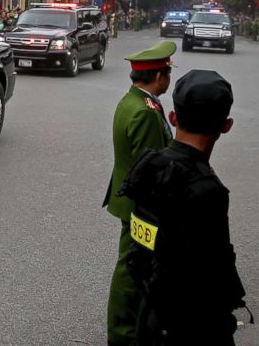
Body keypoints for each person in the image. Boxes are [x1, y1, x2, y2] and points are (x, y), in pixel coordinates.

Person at [119, 70, 249, 345]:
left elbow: (138, 251)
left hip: (148, 317)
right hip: (188, 327)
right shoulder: (207, 191)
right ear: (226, 125)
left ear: (173, 118)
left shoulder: (150, 167)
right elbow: (211, 273)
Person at [104, 40, 176, 345]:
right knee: (131, 271)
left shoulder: (133, 100)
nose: (169, 79)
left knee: (132, 265)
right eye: (168, 73)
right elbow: (152, 166)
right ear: (159, 77)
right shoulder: (145, 112)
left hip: (128, 198)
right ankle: (122, 333)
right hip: (139, 204)